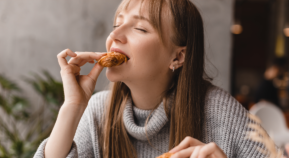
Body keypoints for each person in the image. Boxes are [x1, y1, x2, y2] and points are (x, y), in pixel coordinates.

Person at [34, 0, 268, 158]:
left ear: (178, 56)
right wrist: (72, 107)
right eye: (117, 24)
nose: (114, 35)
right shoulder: (98, 111)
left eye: (140, 29)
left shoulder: (220, 112)